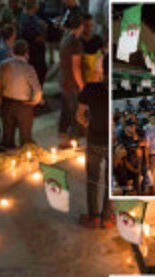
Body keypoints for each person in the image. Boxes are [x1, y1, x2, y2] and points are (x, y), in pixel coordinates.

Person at [76, 61, 110, 227]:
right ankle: (108, 217)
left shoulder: (90, 88)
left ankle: (94, 216)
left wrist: (89, 124)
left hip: (95, 140)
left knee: (93, 179)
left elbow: (79, 116)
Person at [0, 40, 43, 150]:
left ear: (13, 51)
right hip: (24, 105)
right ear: (26, 53)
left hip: (7, 102)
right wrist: (35, 101)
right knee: (25, 135)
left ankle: (8, 153)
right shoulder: (28, 68)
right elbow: (37, 89)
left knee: (7, 133)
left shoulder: (4, 64)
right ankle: (24, 155)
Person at [57, 15, 85, 148]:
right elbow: (76, 67)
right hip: (72, 82)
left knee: (65, 110)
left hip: (63, 79)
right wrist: (81, 85)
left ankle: (62, 136)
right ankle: (73, 140)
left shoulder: (65, 38)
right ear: (80, 26)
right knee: (75, 112)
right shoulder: (75, 43)